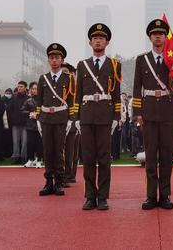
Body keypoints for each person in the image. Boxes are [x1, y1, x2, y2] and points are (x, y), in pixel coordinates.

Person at [132, 20, 173, 210]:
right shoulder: (142, 60)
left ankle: (165, 195)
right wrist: (138, 112)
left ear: (165, 37)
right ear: (150, 37)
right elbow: (137, 87)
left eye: (161, 33)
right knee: (151, 156)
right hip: (149, 111)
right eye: (155, 33)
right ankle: (151, 195)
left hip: (167, 111)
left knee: (167, 155)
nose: (158, 36)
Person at [75, 24, 122, 210]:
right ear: (90, 42)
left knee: (104, 158)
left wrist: (117, 117)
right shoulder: (82, 64)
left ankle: (102, 196)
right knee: (87, 158)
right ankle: (89, 196)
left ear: (107, 42)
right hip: (86, 117)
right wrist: (76, 118)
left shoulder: (114, 65)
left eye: (102, 38)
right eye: (95, 38)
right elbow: (78, 93)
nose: (98, 40)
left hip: (105, 116)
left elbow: (117, 93)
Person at [36, 44, 76, 196]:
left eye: (57, 58)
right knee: (47, 151)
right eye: (51, 58)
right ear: (48, 60)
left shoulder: (69, 78)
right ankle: (48, 182)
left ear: (62, 60)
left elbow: (72, 100)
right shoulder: (43, 78)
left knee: (59, 151)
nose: (54, 61)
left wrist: (72, 119)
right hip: (46, 118)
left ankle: (59, 182)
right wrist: (38, 119)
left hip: (61, 119)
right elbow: (39, 101)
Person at [62, 62, 80, 184]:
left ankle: (70, 174)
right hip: (61, 122)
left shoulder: (78, 88)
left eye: (67, 73)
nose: (65, 75)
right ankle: (63, 174)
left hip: (75, 122)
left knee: (72, 150)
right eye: (62, 73)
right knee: (62, 150)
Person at [7, 81, 29, 164]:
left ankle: (24, 157)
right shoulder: (14, 97)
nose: (19, 88)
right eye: (18, 86)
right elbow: (9, 109)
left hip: (25, 124)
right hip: (15, 123)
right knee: (15, 141)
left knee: (24, 141)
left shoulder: (28, 98)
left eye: (21, 86)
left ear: (25, 88)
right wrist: (12, 119)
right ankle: (15, 157)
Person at [23, 82, 43, 169]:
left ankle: (39, 160)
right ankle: (30, 159)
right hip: (30, 125)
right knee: (30, 143)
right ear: (30, 90)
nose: (34, 91)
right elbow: (22, 110)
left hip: (40, 125)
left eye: (36, 89)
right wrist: (30, 113)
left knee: (39, 143)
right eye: (33, 89)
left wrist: (39, 115)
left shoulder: (43, 100)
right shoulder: (28, 101)